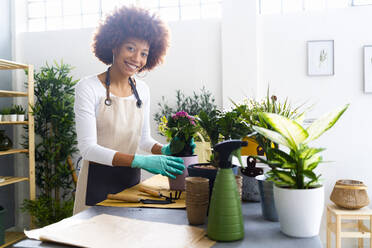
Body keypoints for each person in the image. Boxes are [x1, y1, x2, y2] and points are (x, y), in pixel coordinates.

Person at [73, 6, 192, 214]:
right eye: (130, 48)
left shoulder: (142, 90)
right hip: (96, 184)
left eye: (144, 53)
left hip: (130, 184)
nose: (137, 58)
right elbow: (88, 149)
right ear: (114, 45)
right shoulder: (88, 88)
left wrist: (165, 150)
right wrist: (140, 160)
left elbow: (144, 140)